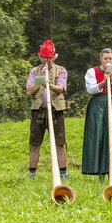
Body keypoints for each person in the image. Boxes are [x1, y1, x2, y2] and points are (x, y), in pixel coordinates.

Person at [82, 48, 112, 182]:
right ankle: (100, 171)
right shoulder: (91, 72)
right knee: (99, 136)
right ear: (100, 59)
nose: (107, 61)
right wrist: (103, 82)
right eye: (105, 59)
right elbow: (90, 89)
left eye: (110, 59)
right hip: (98, 104)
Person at [26, 40, 68, 179]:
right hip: (38, 110)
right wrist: (40, 79)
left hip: (56, 110)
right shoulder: (34, 71)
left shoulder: (61, 70)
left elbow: (60, 89)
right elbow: (30, 91)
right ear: (40, 57)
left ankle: (63, 173)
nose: (46, 60)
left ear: (53, 57)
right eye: (44, 57)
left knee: (59, 143)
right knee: (35, 143)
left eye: (49, 58)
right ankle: (32, 173)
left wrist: (49, 84)